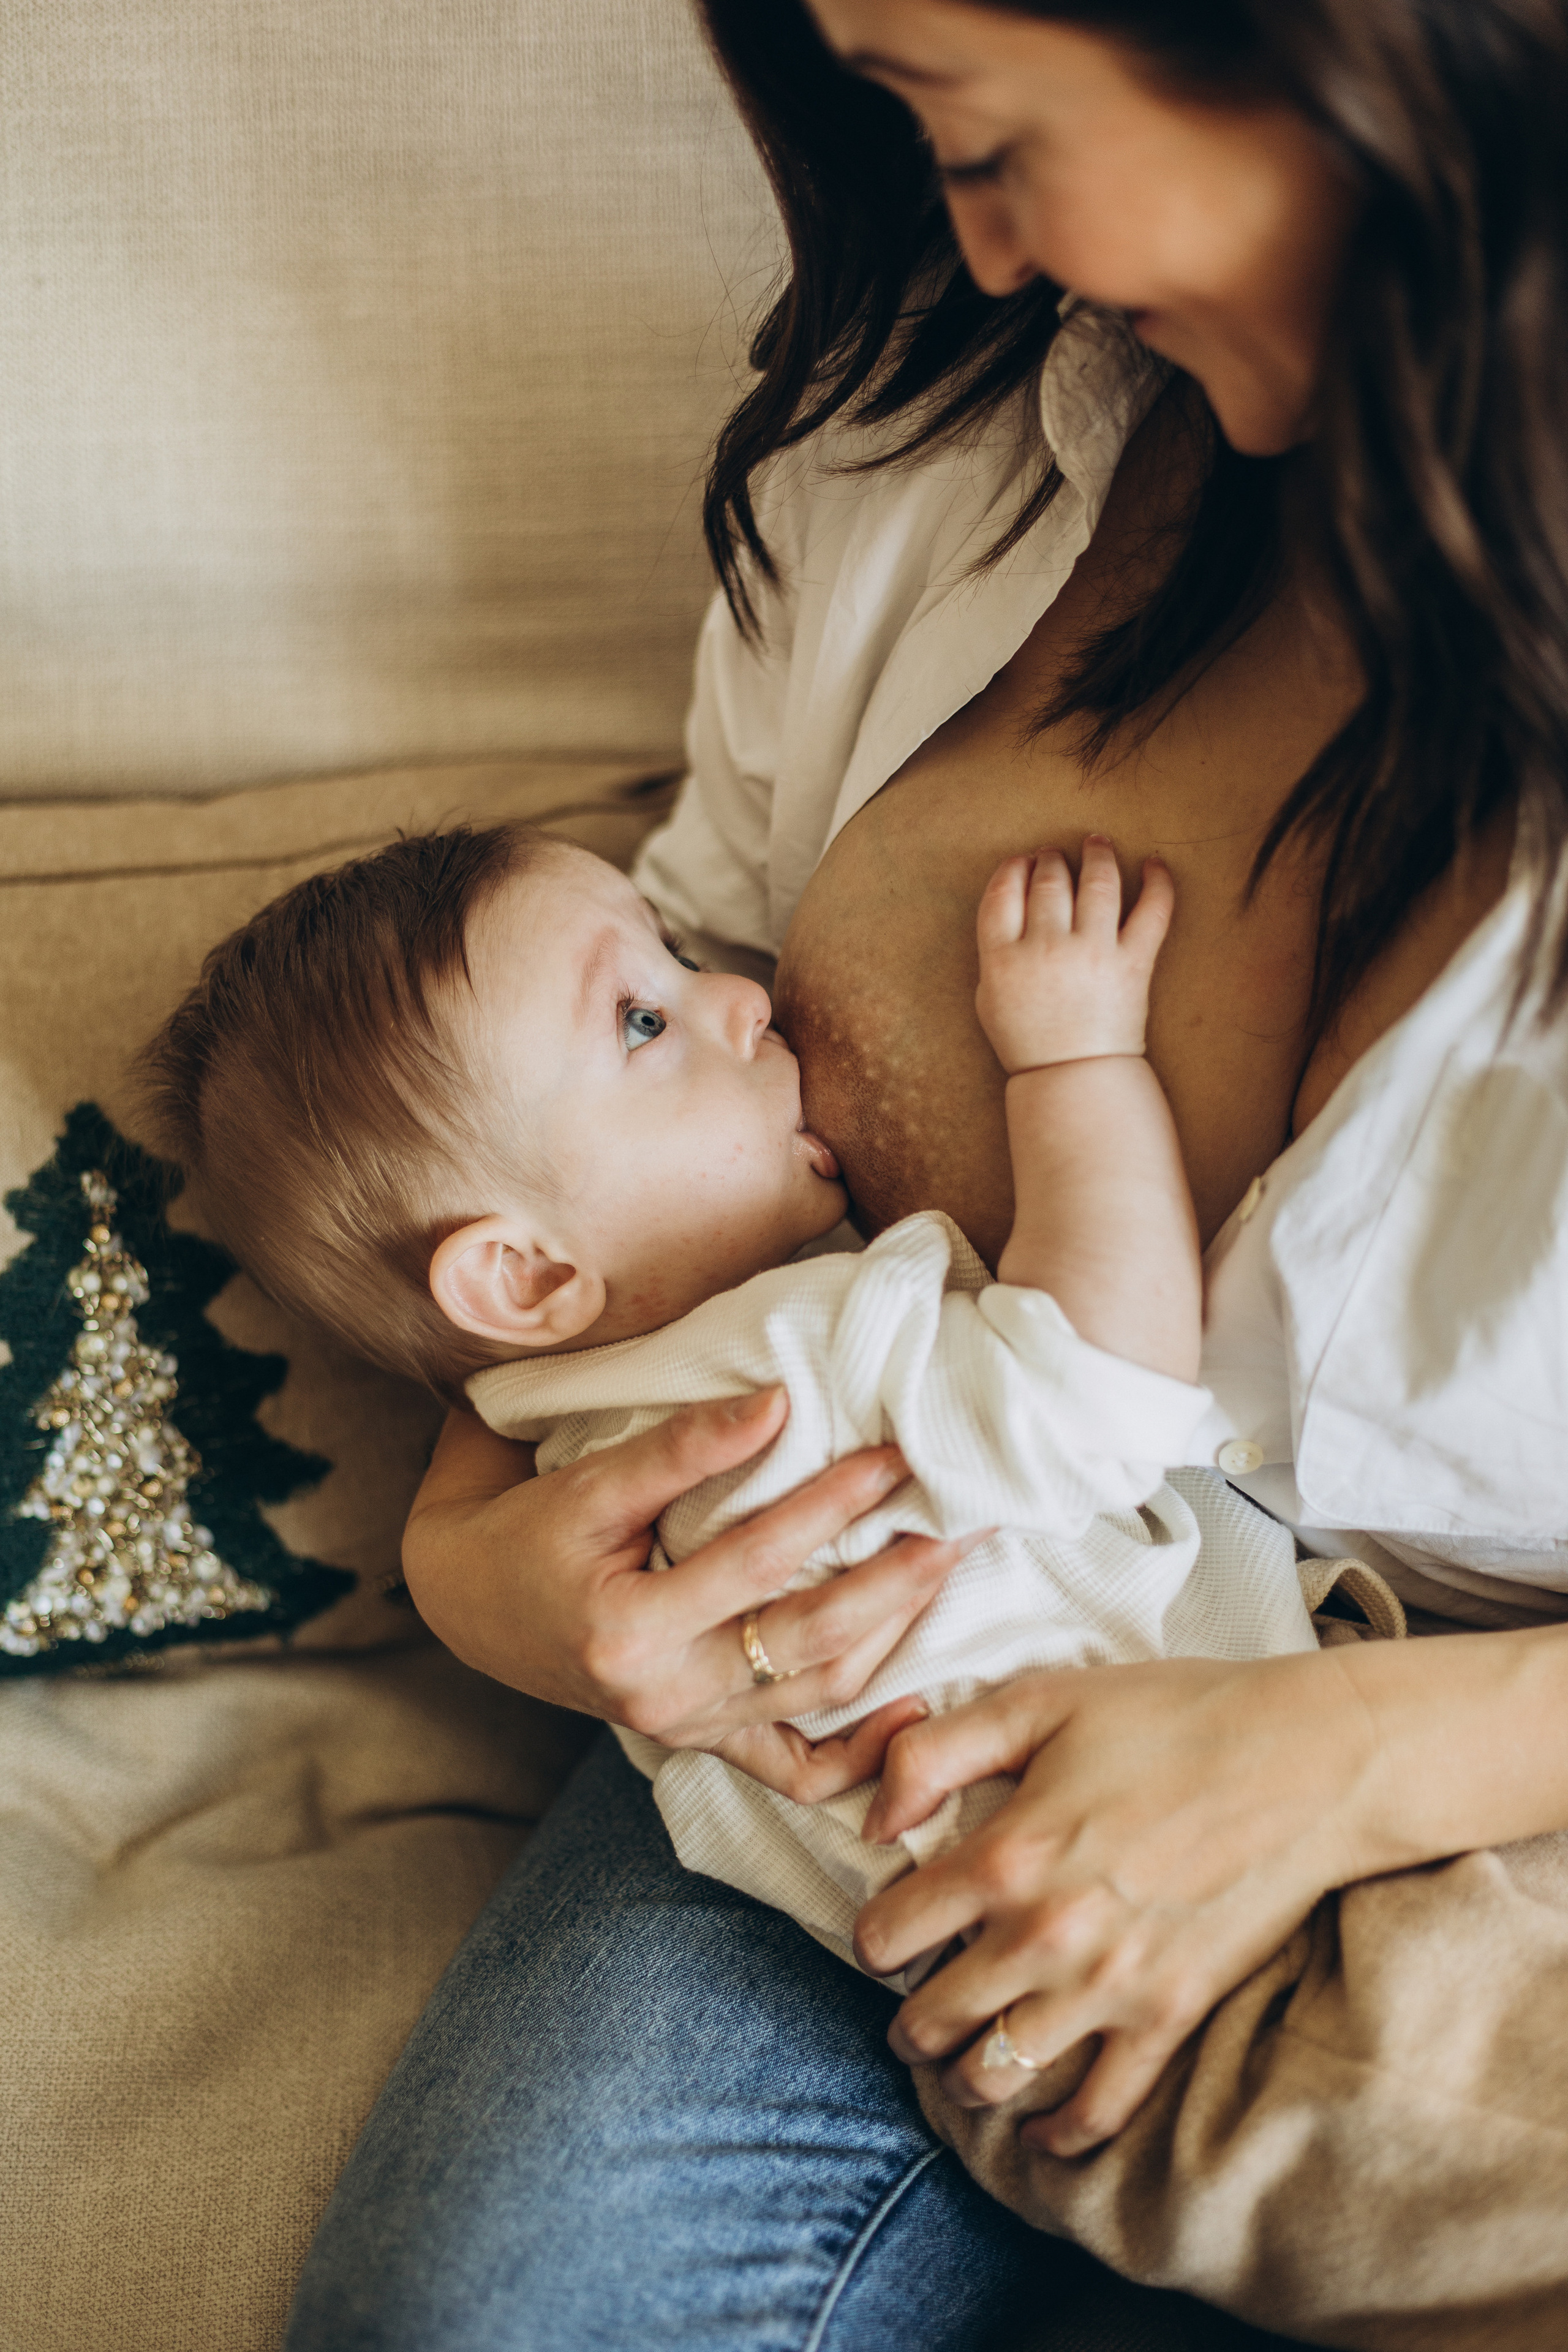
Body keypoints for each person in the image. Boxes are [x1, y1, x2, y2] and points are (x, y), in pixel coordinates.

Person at [285, 3, 1568, 2347]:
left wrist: (1357, 1757)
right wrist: (487, 1566)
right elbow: (573, 1163)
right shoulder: (932, 449)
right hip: (873, 1728)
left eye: (984, 134)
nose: (975, 251)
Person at [144, 817, 1324, 1980]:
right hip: (1216, 1930)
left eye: (678, 959)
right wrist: (1075, 1058)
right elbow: (1100, 1396)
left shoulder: (580, 1464)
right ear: (531, 1274)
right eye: (643, 1021)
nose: (744, 996)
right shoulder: (786, 1379)